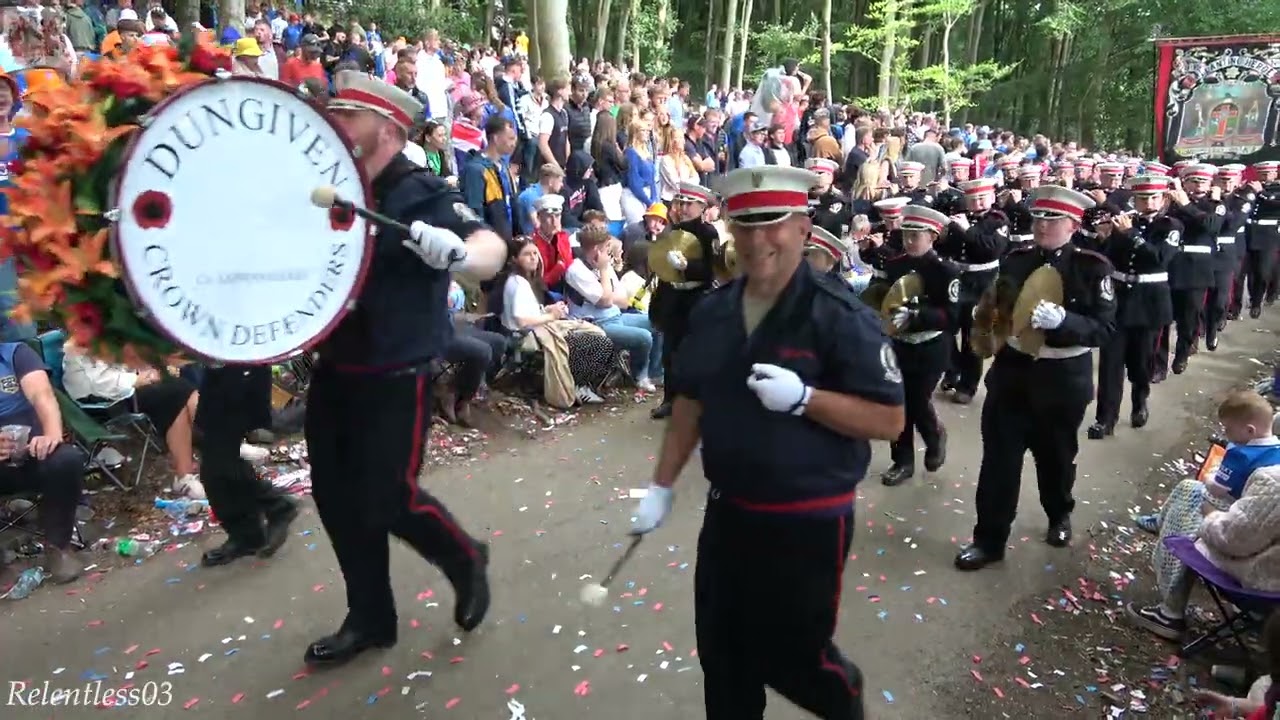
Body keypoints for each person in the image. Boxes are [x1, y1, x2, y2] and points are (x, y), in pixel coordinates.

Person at [629, 165, 905, 720]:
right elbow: (690, 400)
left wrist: (808, 399)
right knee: (723, 654)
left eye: (772, 224)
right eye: (744, 224)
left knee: (794, 657)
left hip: (806, 521)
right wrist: (661, 485)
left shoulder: (840, 317)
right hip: (730, 514)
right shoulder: (713, 312)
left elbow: (891, 419)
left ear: (803, 227)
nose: (757, 241)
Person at [304, 72, 506, 667]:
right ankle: (369, 617)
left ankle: (464, 557)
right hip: (338, 363)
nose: (333, 122)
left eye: (347, 114)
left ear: (386, 127)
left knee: (389, 497)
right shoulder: (328, 183)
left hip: (396, 369)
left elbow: (486, 242)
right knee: (336, 497)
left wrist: (461, 253)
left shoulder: (416, 188)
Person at [955, 186, 1116, 571]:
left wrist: (1067, 322)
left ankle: (1059, 514)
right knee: (998, 462)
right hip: (1012, 375)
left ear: (1074, 225)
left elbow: (1106, 330)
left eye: (1053, 219)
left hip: (1062, 378)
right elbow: (994, 308)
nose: (1043, 226)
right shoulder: (1016, 259)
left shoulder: (1092, 267)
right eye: (1039, 218)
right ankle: (989, 540)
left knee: (1056, 460)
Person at [1089, 175, 1180, 439]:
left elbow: (1159, 258)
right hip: (1118, 299)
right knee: (1110, 364)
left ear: (1163, 199)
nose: (1147, 203)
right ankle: (1105, 419)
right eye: (1142, 198)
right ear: (1134, 200)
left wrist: (1129, 234)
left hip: (1149, 300)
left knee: (1141, 362)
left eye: (1153, 197)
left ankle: (1140, 400)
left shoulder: (1170, 225)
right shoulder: (1124, 221)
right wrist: (1105, 238)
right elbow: (1109, 258)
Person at [880, 205, 960, 485]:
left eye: (917, 236)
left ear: (932, 237)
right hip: (898, 343)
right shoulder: (894, 264)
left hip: (929, 346)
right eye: (906, 235)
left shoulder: (945, 271)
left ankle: (934, 434)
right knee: (897, 401)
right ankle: (902, 461)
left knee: (916, 399)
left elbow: (952, 316)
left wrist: (917, 316)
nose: (910, 241)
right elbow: (880, 295)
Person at [62, 343, 203, 498]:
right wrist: (138, 379)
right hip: (99, 400)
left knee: (180, 389)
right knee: (176, 393)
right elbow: (99, 382)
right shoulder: (82, 340)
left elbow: (128, 362)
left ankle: (191, 471)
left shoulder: (111, 332)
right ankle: (198, 467)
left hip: (122, 389)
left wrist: (151, 370)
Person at [195, 364, 298, 567]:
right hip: (222, 372)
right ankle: (248, 533)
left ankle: (275, 506)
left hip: (239, 371)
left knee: (219, 461)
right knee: (216, 460)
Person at [0, 341, 85, 583]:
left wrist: (51, 434)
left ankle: (58, 548)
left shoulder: (15, 354)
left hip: (32, 450)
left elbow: (42, 395)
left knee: (65, 459)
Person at [649, 182, 718, 420]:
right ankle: (670, 399)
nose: (684, 208)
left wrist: (689, 267)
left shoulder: (709, 233)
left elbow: (712, 270)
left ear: (701, 206)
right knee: (670, 351)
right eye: (681, 203)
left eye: (690, 204)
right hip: (674, 295)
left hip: (696, 296)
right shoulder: (673, 230)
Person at [936, 177, 1007, 404]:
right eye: (972, 198)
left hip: (982, 280)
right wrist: (943, 237)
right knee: (943, 326)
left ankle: (968, 384)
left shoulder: (998, 220)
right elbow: (947, 248)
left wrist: (967, 230)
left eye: (981, 198)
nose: (976, 203)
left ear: (992, 198)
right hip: (957, 278)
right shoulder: (959, 217)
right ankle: (952, 367)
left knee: (971, 334)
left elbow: (992, 249)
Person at [564, 225, 660, 392]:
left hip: (616, 316)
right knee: (644, 337)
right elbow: (606, 301)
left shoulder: (606, 266)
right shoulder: (576, 270)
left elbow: (623, 301)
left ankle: (656, 372)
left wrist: (607, 292)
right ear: (596, 249)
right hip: (595, 324)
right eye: (607, 247)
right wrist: (602, 271)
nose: (610, 252)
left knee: (658, 321)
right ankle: (639, 376)